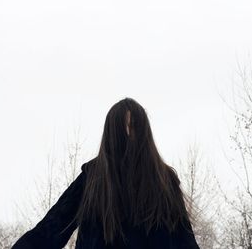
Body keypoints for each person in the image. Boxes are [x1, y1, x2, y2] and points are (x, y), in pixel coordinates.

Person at [11, 97, 200, 249]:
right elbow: (51, 229)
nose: (128, 134)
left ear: (143, 132)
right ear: (113, 133)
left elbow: (185, 240)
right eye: (122, 128)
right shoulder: (92, 178)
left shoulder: (163, 180)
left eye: (134, 127)